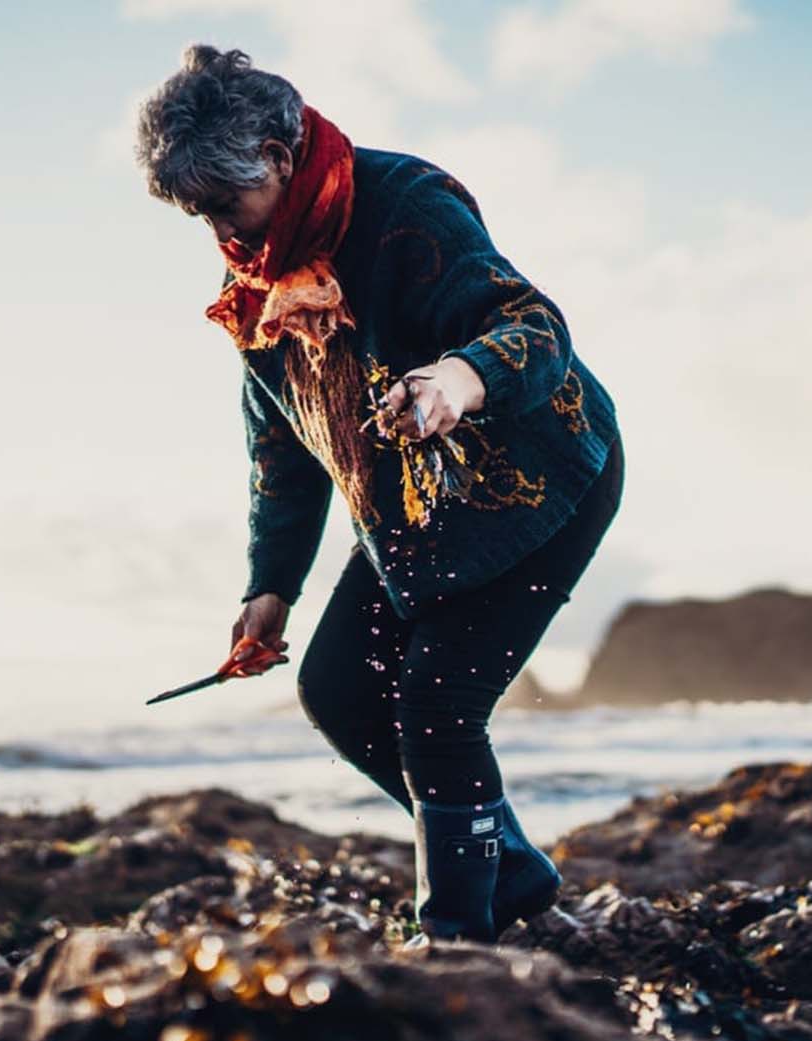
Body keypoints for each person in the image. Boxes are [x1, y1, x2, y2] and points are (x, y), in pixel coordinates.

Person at [135, 44, 624, 948]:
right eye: (195, 213)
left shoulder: (405, 204)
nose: (217, 232)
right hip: (412, 502)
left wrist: (456, 383)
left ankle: (454, 938)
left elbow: (530, 322)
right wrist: (268, 589)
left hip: (545, 474)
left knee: (437, 705)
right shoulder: (260, 288)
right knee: (338, 690)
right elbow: (281, 443)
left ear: (279, 162)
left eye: (222, 203)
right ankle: (507, 868)